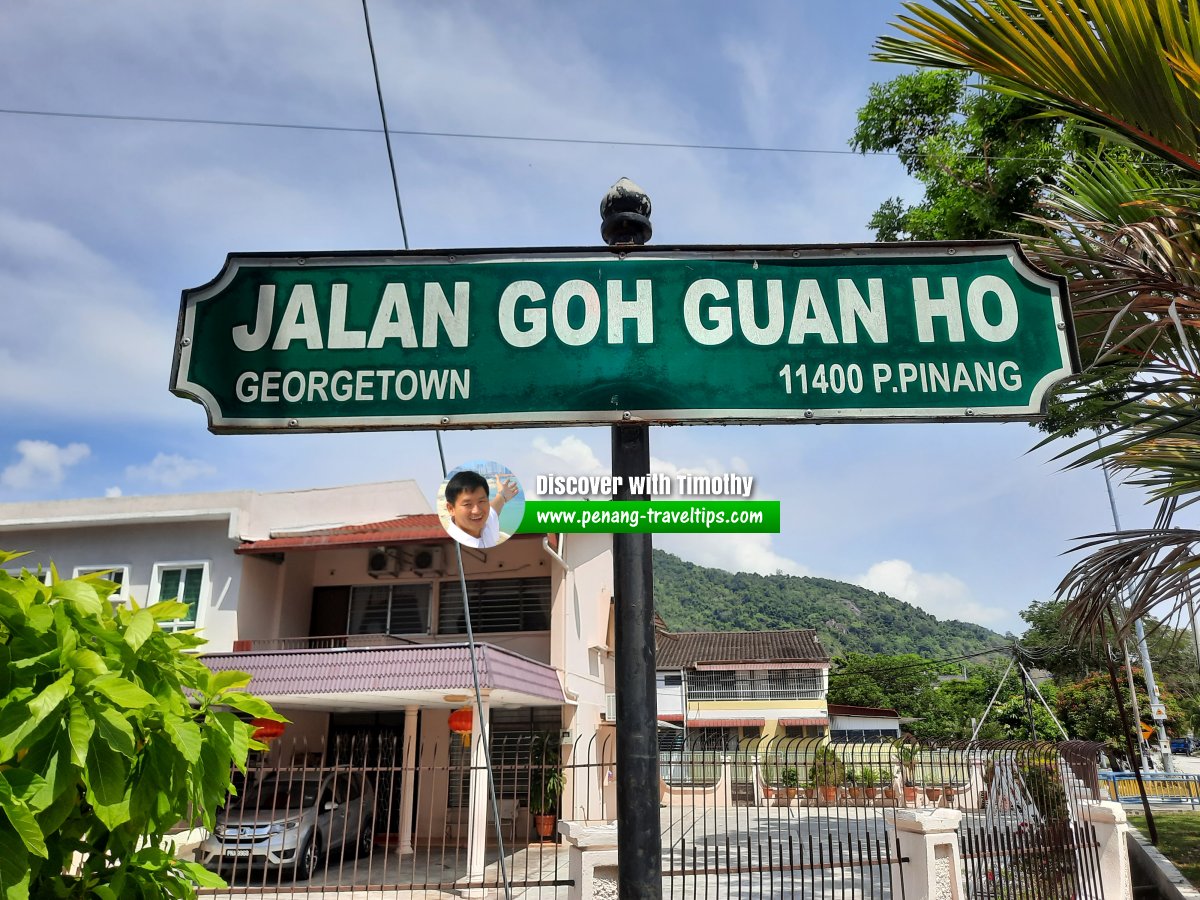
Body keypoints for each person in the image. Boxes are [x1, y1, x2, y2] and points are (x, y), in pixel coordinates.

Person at [443, 470, 518, 549]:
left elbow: (494, 507)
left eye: (481, 501)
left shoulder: (486, 523)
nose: (477, 511)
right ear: (451, 509)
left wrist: (502, 495)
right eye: (467, 504)